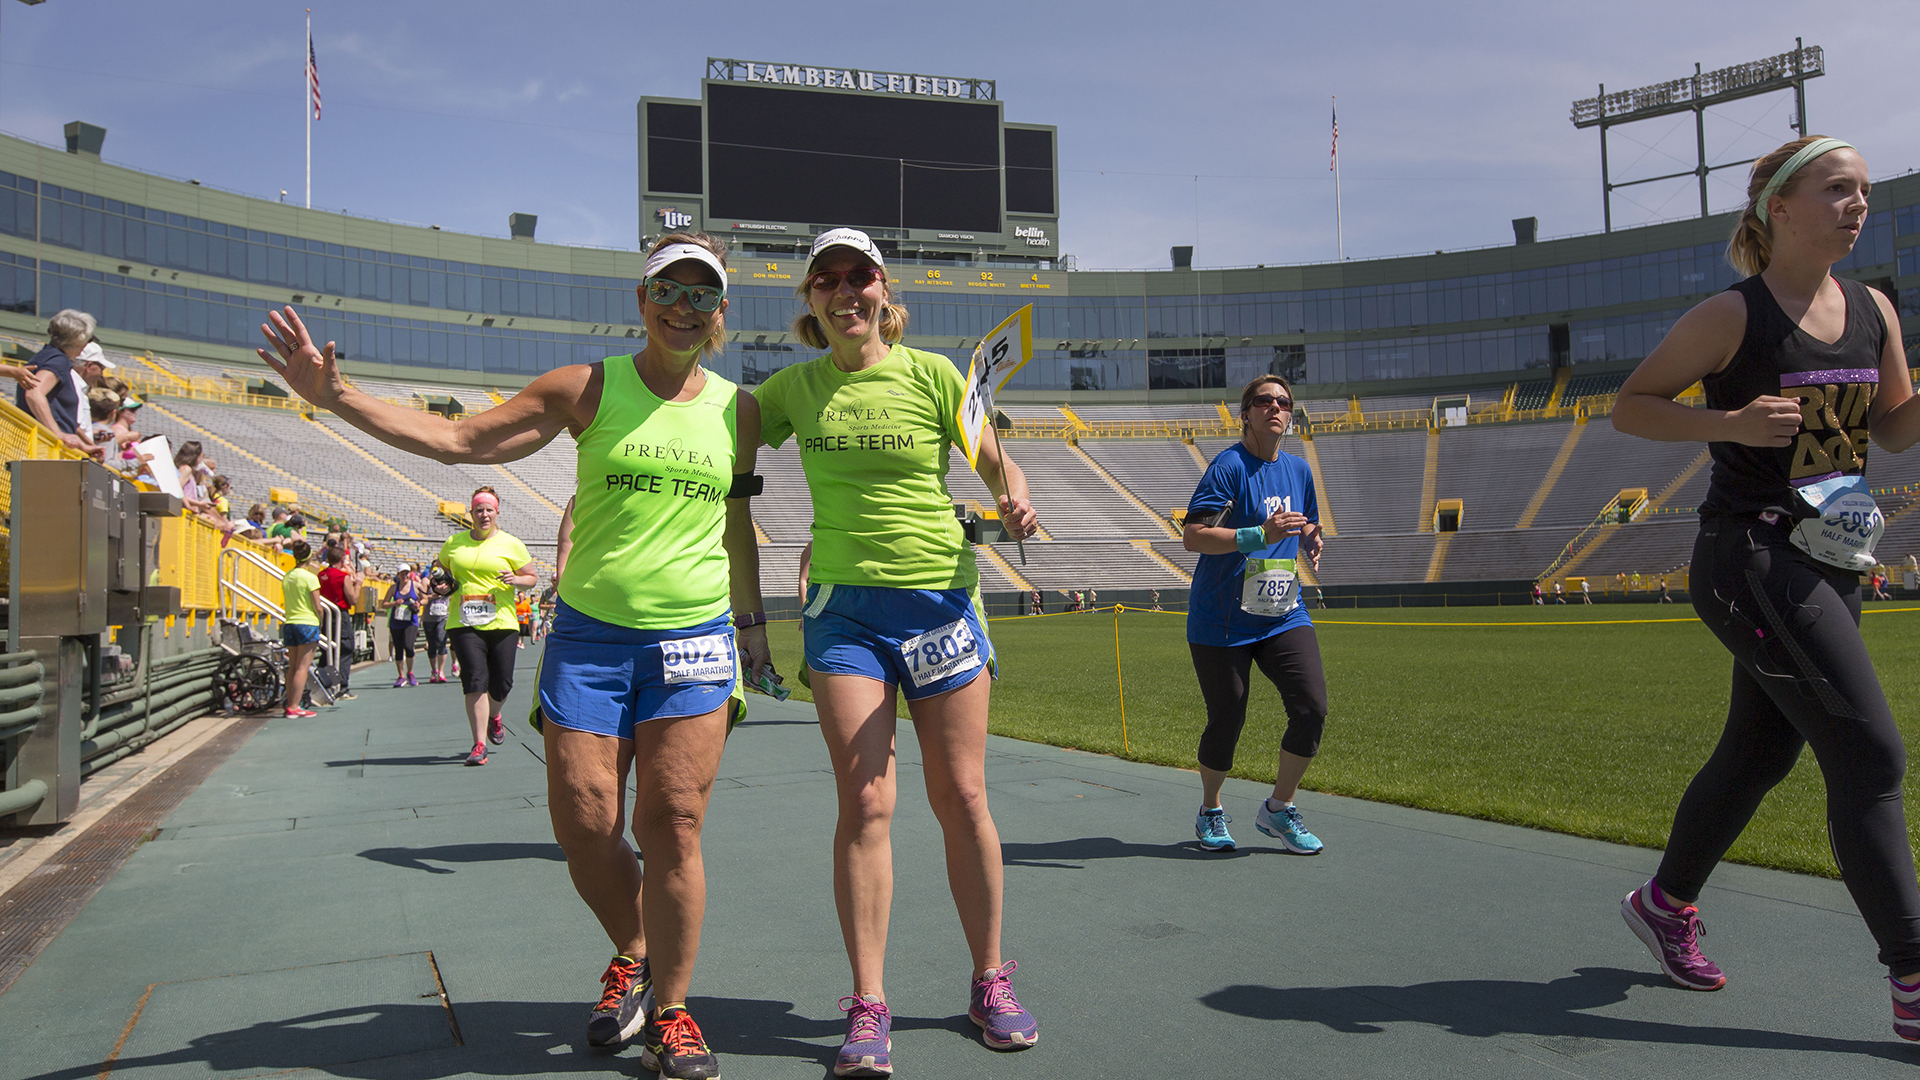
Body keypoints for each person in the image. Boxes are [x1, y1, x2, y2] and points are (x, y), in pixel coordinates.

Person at [258, 230, 771, 1080]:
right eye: (668, 290)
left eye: (702, 293)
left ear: (721, 310)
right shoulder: (586, 387)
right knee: (583, 822)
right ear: (641, 300)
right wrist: (337, 395)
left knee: (672, 824)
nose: (684, 307)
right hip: (589, 638)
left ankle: (674, 1012)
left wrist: (750, 627)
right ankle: (634, 952)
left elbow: (735, 523)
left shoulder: (738, 409)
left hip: (692, 640)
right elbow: (463, 443)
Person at [1610, 135, 1920, 1038]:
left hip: (1833, 557)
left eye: (1863, 190)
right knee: (1869, 756)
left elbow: (1895, 433)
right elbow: (1632, 405)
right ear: (1777, 208)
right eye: (1837, 189)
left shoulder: (1874, 308)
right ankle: (1912, 978)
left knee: (1760, 753)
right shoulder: (1732, 315)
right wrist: (1731, 420)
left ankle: (1665, 905)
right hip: (1751, 558)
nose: (1857, 203)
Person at [755, 228, 1041, 1073]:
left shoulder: (936, 376)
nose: (846, 292)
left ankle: (990, 978)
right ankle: (869, 1003)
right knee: (867, 806)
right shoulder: (791, 392)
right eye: (828, 280)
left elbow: (999, 469)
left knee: (961, 797)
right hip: (845, 616)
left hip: (941, 606)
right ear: (810, 299)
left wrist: (1016, 500)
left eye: (860, 277)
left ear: (884, 290)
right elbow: (715, 435)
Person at [1182, 374, 1329, 857]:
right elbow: (1194, 537)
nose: (1275, 408)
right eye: (1263, 401)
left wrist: (1309, 534)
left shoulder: (1300, 470)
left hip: (1282, 611)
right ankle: (1210, 810)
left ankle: (1279, 808)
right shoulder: (1228, 468)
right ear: (1245, 413)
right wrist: (1257, 535)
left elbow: (1302, 517)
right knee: (1227, 719)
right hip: (1221, 620)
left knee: (1311, 708)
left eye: (1283, 402)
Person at [437, 486, 535, 764]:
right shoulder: (454, 543)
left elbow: (531, 577)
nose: (483, 514)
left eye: (488, 509)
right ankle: (479, 744)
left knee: (502, 684)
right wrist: (440, 582)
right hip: (464, 622)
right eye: (479, 509)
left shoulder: (511, 544)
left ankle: (495, 714)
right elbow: (440, 571)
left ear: (497, 513)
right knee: (475, 681)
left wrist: (516, 580)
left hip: (502, 622)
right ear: (471, 513)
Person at [0, 309, 101, 458]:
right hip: (46, 451)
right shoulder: (59, 360)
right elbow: (34, 394)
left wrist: (81, 444)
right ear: (78, 340)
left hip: (38, 447)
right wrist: (58, 433)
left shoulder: (44, 356)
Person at [280, 540, 323, 719]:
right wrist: (320, 622)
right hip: (307, 622)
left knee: (293, 667)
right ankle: (295, 706)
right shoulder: (310, 577)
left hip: (290, 622)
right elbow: (318, 606)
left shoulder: (287, 576)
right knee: (302, 667)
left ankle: (291, 704)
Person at [315, 546, 360, 702]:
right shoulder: (342, 576)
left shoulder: (321, 575)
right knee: (346, 648)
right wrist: (358, 584)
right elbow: (353, 599)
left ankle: (322, 682)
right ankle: (341, 686)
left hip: (325, 614)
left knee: (327, 650)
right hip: (340, 614)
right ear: (342, 560)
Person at [383, 564, 423, 687]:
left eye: (406, 573)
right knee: (398, 649)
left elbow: (425, 598)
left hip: (410, 621)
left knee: (409, 645)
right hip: (396, 622)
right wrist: (394, 603)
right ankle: (401, 675)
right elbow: (384, 604)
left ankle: (410, 672)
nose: (404, 576)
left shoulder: (415, 586)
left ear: (410, 574)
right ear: (398, 574)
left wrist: (418, 604)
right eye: (402, 573)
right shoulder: (393, 588)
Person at [422, 563, 454, 684]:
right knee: (431, 645)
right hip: (429, 617)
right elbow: (423, 597)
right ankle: (433, 670)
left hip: (443, 616)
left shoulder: (447, 580)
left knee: (441, 640)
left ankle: (441, 671)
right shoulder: (427, 582)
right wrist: (435, 595)